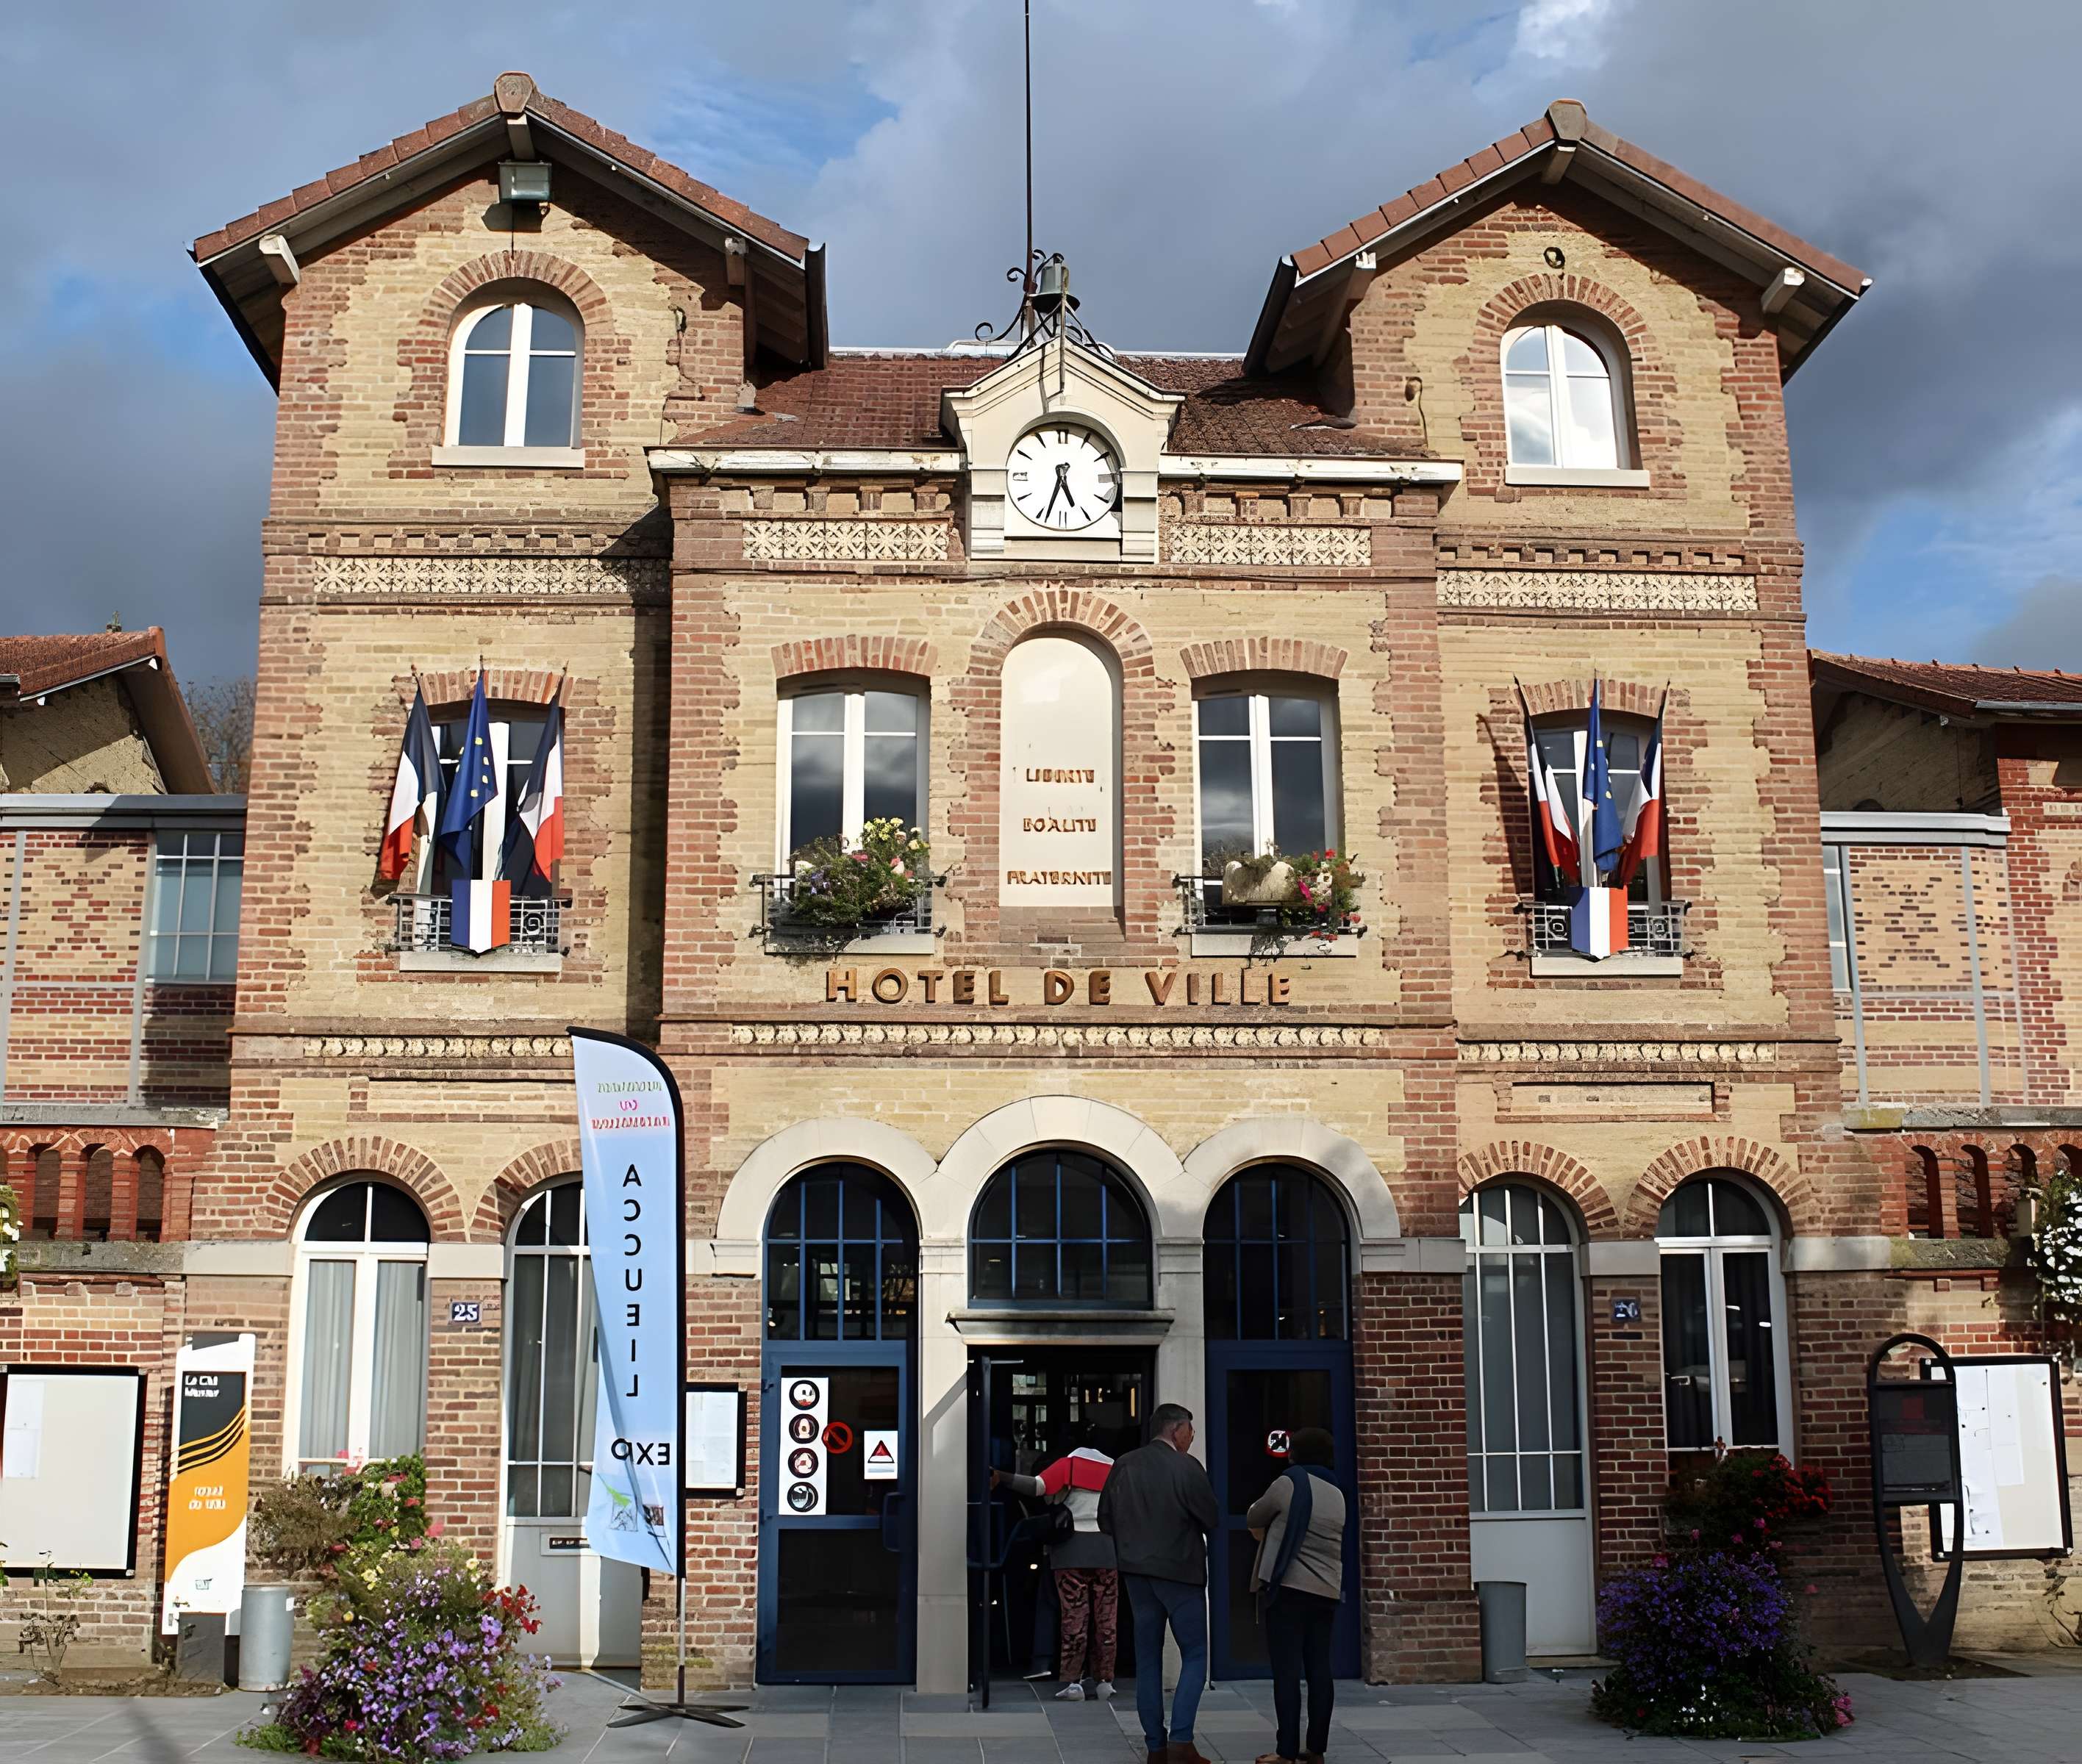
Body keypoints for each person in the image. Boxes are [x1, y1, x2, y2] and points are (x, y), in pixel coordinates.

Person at [1097, 1402, 1219, 1764]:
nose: (1193, 1437)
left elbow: (1105, 1519)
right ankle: (1181, 1740)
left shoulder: (1124, 1465)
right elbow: (1210, 1516)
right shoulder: (1187, 1466)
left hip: (1136, 1573)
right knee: (1195, 1655)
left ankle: (1155, 1747)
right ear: (1175, 1430)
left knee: (1147, 1659)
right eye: (1190, 1430)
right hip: (1180, 1572)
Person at [992, 1427, 1118, 1700]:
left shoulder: (1068, 1464)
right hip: (1107, 1551)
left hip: (1070, 1552)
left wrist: (1003, 1477)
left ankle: (1073, 1683)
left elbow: (1038, 1487)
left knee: (1075, 1618)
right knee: (1106, 1619)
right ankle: (1105, 1681)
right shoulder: (1115, 1468)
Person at [1246, 1427, 1345, 1764]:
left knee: (1287, 1672)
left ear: (1295, 1453)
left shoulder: (1289, 1483)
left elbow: (1255, 1515)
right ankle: (1316, 1748)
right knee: (1319, 1669)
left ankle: (1285, 1751)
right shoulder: (1337, 1492)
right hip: (1326, 1590)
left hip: (1290, 1589)